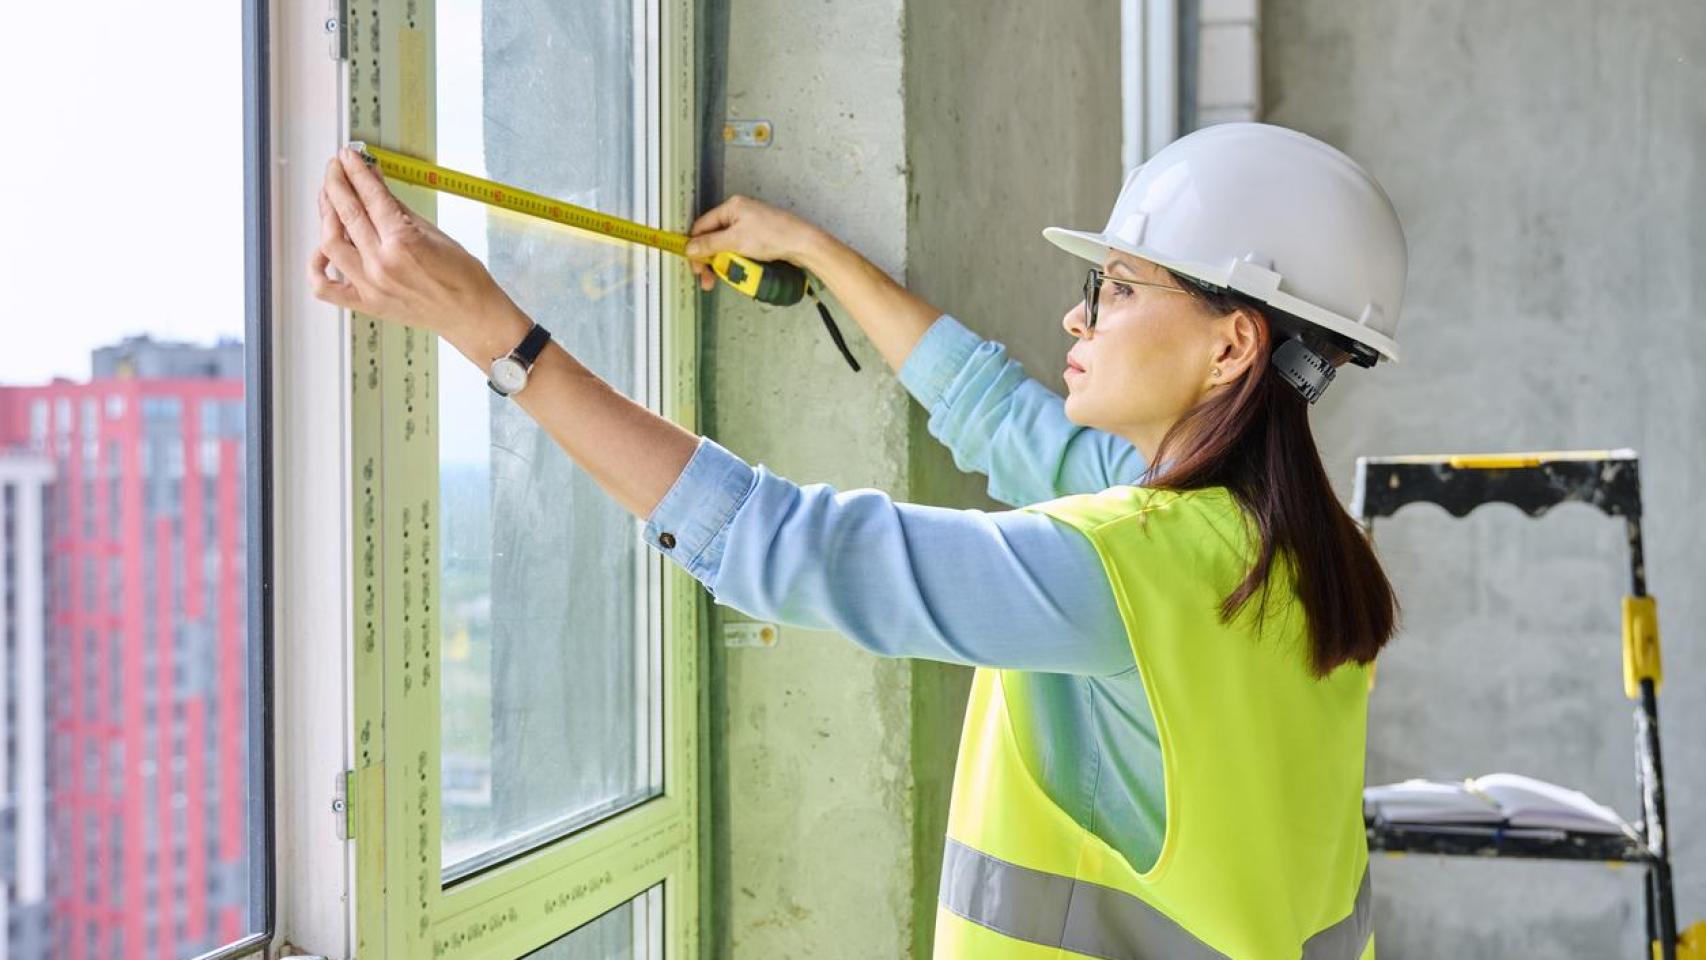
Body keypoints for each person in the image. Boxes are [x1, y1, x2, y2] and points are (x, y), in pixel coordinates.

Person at [310, 121, 1404, 959]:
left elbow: (783, 544)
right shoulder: (1277, 549)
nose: (1078, 318)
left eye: (1115, 289)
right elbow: (995, 414)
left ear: (1231, 346)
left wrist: (495, 336)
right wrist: (815, 253)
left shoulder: (1126, 565)